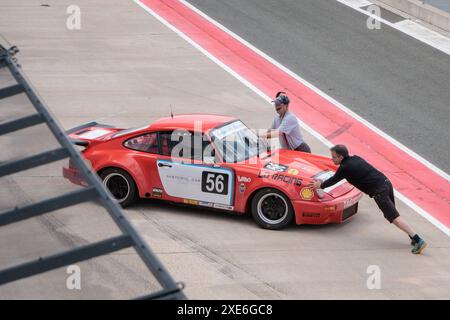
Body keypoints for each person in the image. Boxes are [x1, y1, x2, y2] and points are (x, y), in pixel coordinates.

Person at [309, 144, 427, 255]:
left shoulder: (344, 167)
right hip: (386, 183)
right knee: (394, 215)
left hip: (379, 192)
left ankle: (418, 240)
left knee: (394, 218)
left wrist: (320, 185)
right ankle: (413, 238)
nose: (332, 159)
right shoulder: (356, 158)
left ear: (341, 156)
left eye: (334, 157)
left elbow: (333, 180)